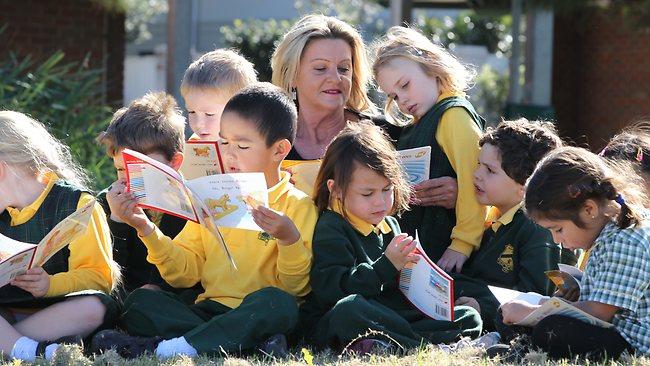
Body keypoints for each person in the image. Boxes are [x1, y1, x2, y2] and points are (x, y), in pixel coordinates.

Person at [91, 83, 318, 358]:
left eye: (243, 145)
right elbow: (184, 273)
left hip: (258, 310)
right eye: (224, 143)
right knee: (140, 302)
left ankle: (177, 346)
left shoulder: (298, 205)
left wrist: (288, 238)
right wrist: (146, 228)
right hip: (207, 308)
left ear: (280, 149)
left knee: (279, 304)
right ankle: (240, 344)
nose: (230, 154)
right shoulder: (211, 195)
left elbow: (297, 288)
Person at [309, 121, 482, 352]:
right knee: (348, 310)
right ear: (336, 189)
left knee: (468, 316)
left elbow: (402, 289)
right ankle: (426, 346)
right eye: (367, 193)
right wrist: (386, 266)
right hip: (351, 314)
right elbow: (332, 291)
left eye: (387, 189)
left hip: (392, 316)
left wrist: (429, 292)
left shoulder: (389, 224)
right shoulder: (333, 227)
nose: (380, 202)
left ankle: (405, 340)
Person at [271, 14, 458, 207]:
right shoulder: (265, 139)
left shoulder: (390, 134)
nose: (335, 78)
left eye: (344, 68)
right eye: (320, 68)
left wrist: (455, 193)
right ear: (291, 74)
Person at [499, 146, 649, 359]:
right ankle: (524, 343)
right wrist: (578, 291)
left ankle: (529, 344)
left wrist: (535, 311)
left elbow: (599, 313)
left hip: (633, 343)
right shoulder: (608, 232)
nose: (556, 240)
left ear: (589, 210)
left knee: (552, 327)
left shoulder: (626, 239)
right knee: (507, 311)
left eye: (558, 229)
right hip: (610, 329)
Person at [0, 111, 119, 362]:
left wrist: (50, 285)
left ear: (0, 170)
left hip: (58, 315)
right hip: (6, 315)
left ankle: (13, 345)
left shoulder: (78, 205)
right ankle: (27, 349)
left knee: (96, 307)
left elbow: (100, 278)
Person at [373, 26, 487, 272]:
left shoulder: (454, 115)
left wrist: (463, 243)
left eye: (405, 85)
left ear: (431, 65)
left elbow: (474, 181)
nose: (401, 100)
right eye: (393, 96)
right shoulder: (419, 122)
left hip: (448, 253)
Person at [452, 119, 568, 330]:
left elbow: (535, 297)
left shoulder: (537, 230)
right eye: (479, 164)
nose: (477, 174)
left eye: (490, 170)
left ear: (525, 187)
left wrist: (483, 308)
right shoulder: (490, 217)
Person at [97, 91, 200, 299]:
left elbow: (194, 273)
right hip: (122, 297)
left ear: (174, 162)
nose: (128, 179)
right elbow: (107, 274)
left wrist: (160, 290)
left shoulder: (193, 204)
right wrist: (117, 220)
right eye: (119, 169)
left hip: (176, 298)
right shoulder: (108, 202)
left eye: (139, 169)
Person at [181, 48, 257, 141]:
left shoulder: (255, 150)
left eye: (209, 114)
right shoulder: (195, 144)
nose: (198, 124)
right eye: (191, 112)